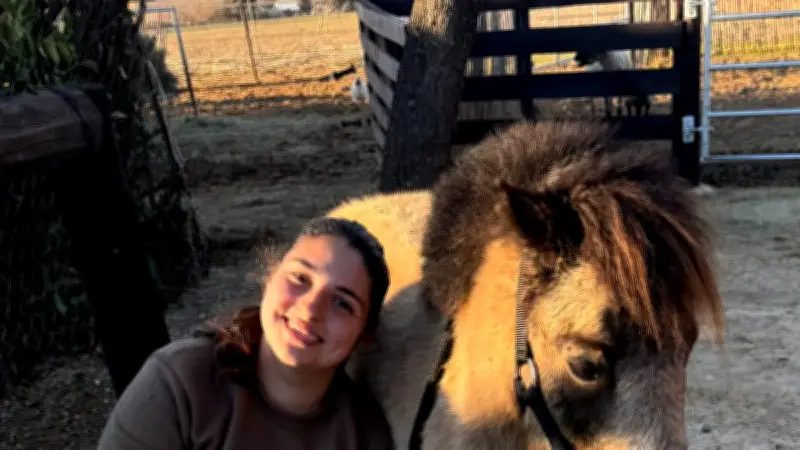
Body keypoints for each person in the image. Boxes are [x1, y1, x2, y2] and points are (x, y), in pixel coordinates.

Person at [97, 217, 394, 450]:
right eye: (300, 278)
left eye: (342, 303)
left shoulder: (365, 435)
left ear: (364, 334)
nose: (310, 310)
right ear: (269, 279)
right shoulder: (181, 381)